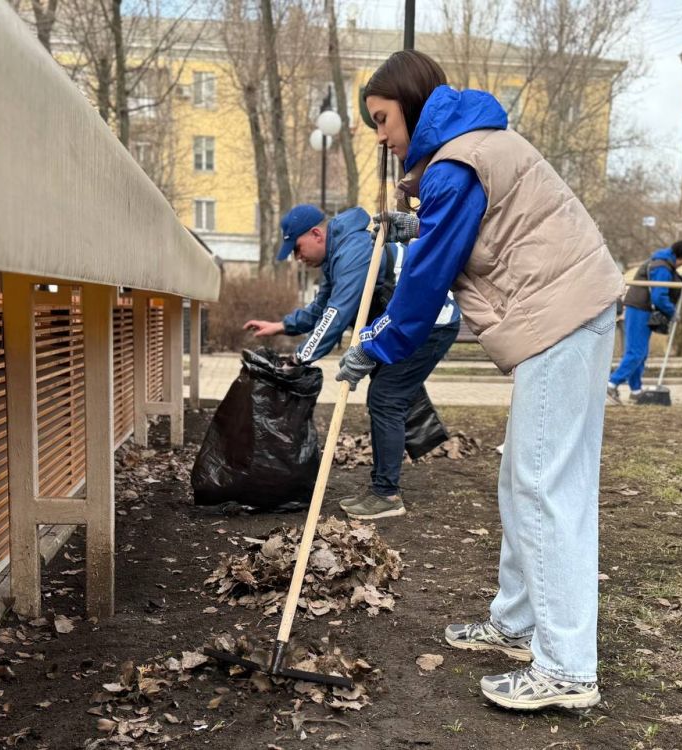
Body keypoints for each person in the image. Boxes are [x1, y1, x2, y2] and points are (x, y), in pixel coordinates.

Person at [335, 51, 623, 711]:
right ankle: (518, 623)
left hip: (560, 314)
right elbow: (465, 232)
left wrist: (375, 343)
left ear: (410, 102)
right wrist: (417, 223)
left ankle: (567, 669)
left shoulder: (457, 161)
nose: (380, 135)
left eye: (382, 119)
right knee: (527, 480)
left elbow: (427, 281)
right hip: (566, 309)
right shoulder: (469, 147)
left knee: (547, 490)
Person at [243, 203, 460, 519]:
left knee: (386, 397)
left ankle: (386, 495)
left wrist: (302, 357)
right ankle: (399, 465)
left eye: (297, 248)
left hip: (430, 323)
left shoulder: (353, 251)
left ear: (317, 233)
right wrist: (281, 326)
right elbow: (322, 308)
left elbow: (337, 315)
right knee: (390, 394)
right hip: (403, 323)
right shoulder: (337, 254)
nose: (297, 257)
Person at [607, 241, 682, 404]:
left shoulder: (664, 264)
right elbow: (659, 296)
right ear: (679, 257)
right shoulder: (661, 266)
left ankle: (636, 391)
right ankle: (611, 384)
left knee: (640, 353)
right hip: (639, 310)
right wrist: (672, 311)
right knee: (636, 353)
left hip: (642, 309)